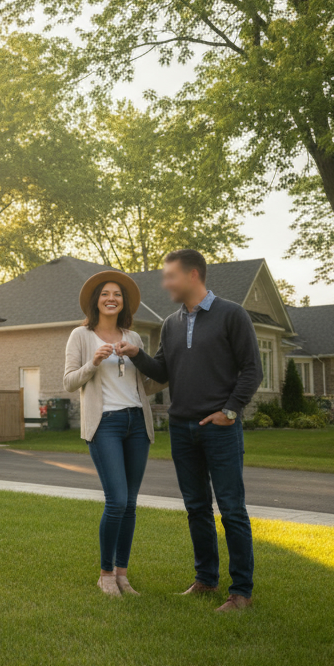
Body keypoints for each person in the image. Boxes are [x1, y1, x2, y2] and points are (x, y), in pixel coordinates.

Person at [124, 249, 262, 612]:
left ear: (193, 275)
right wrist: (135, 353)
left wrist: (230, 411)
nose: (165, 283)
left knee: (231, 509)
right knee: (196, 507)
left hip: (219, 429)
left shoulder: (232, 314)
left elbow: (252, 370)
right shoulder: (170, 323)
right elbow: (163, 372)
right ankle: (205, 580)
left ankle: (241, 592)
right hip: (182, 429)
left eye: (170, 276)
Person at [63, 271, 158, 597]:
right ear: (96, 300)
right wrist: (93, 362)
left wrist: (159, 367)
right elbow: (69, 382)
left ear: (123, 302)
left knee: (130, 504)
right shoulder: (81, 335)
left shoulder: (133, 337)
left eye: (117, 294)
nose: (111, 298)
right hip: (105, 425)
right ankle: (105, 574)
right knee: (116, 500)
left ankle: (122, 574)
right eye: (105, 293)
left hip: (137, 425)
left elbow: (145, 386)